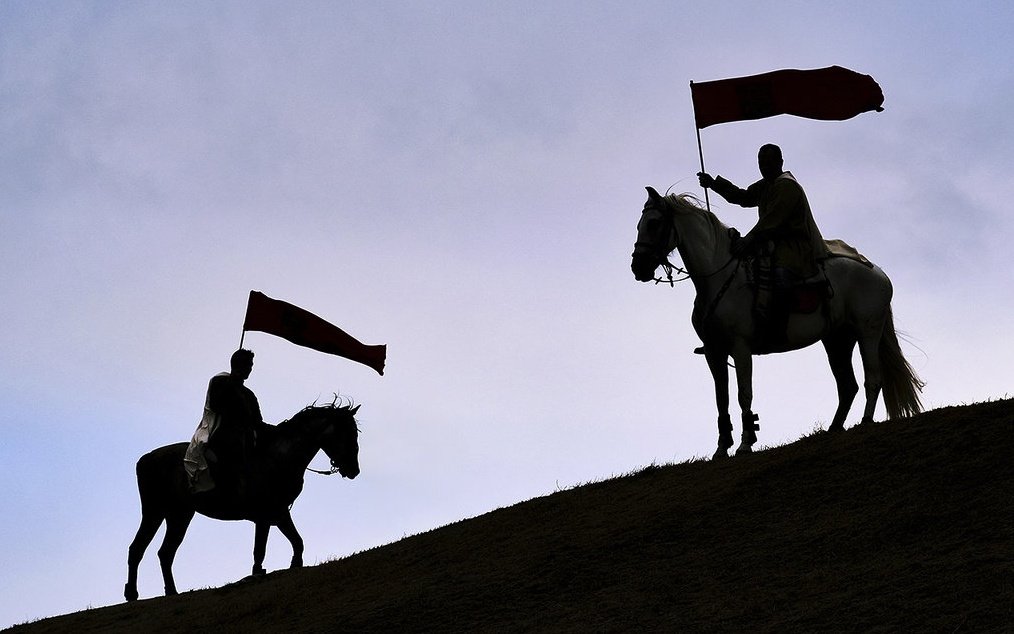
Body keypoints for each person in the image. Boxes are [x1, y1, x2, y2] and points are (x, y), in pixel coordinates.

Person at [698, 144, 830, 349]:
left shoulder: (787, 186)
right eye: (761, 162)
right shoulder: (766, 185)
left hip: (793, 247)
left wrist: (747, 240)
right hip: (768, 245)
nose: (764, 166)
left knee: (780, 278)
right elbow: (742, 197)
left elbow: (772, 220)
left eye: (769, 162)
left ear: (780, 162)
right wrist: (714, 185)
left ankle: (778, 330)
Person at [184, 349, 264, 496]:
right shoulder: (220, 381)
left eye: (251, 366)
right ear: (238, 365)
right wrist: (231, 385)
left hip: (245, 437)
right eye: (248, 365)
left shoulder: (249, 395)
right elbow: (215, 404)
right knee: (231, 450)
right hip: (222, 434)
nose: (250, 369)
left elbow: (258, 421)